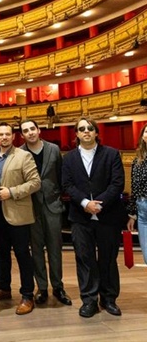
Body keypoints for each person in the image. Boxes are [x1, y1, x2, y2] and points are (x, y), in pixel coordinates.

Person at [63, 117, 125, 318]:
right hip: (80, 216)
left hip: (107, 215)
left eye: (90, 128)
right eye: (82, 129)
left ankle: (108, 299)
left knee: (108, 259)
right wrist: (85, 203)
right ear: (77, 134)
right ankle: (89, 300)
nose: (86, 131)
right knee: (85, 259)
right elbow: (67, 185)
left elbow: (117, 184)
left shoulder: (111, 154)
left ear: (96, 132)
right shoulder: (69, 158)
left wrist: (99, 204)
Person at [0, 122, 41, 315]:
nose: (4, 137)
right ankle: (3, 288)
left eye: (7, 134)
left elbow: (35, 183)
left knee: (22, 255)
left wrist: (12, 192)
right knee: (2, 254)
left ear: (13, 136)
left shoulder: (24, 156)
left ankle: (27, 295)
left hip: (18, 213)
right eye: (0, 134)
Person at [19, 120, 72, 306]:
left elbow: (59, 176)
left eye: (32, 129)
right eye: (26, 131)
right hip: (30, 207)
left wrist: (56, 197)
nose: (30, 133)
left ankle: (58, 287)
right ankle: (41, 288)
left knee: (55, 250)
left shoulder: (54, 149)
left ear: (39, 130)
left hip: (52, 205)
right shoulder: (19, 153)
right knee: (36, 251)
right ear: (22, 135)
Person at [127, 123, 147, 264]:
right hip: (142, 209)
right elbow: (134, 188)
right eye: (146, 132)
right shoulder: (137, 160)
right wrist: (132, 215)